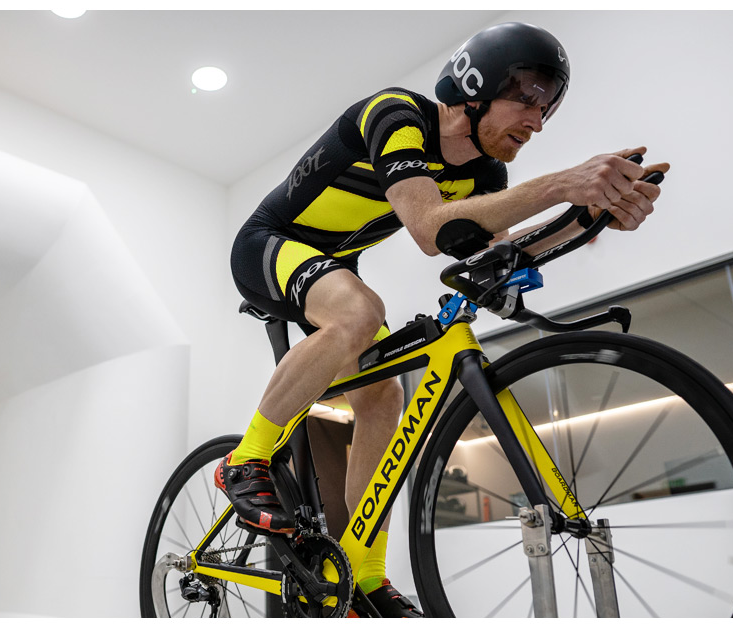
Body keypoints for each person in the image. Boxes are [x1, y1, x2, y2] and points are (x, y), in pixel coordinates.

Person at [216, 22, 668, 617]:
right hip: (267, 244)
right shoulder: (396, 116)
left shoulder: (485, 175)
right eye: (528, 96)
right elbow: (431, 228)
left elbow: (492, 257)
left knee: (382, 395)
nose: (538, 120)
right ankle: (245, 460)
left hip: (331, 263)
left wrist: (587, 217)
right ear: (474, 86)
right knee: (360, 311)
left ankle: (361, 572)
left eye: (549, 107)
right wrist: (563, 182)